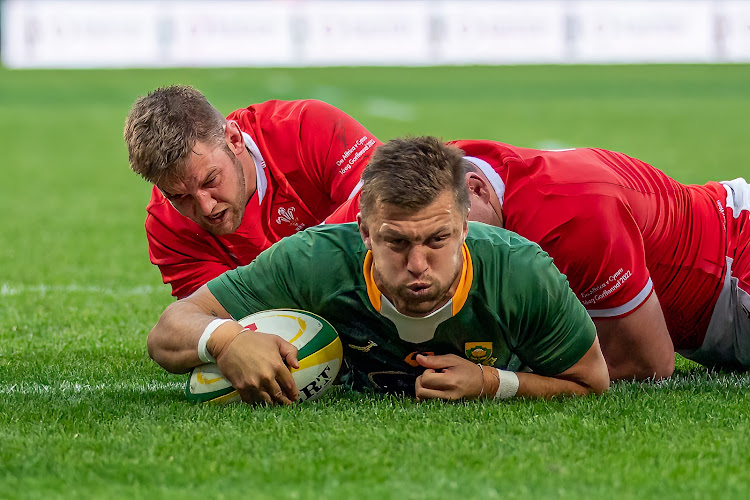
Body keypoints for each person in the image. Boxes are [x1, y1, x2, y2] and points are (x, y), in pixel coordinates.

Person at [147, 136, 610, 405]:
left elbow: (591, 382)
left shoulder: (521, 273)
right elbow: (170, 329)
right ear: (364, 233)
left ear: (465, 226)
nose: (417, 266)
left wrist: (492, 382)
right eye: (396, 241)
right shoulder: (315, 261)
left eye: (437, 240)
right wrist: (228, 340)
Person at [327, 139, 750, 380]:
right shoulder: (404, 200)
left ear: (476, 190)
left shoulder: (572, 213)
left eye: (448, 236)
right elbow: (288, 270)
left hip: (735, 266)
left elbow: (648, 364)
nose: (433, 257)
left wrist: (497, 379)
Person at [123, 85, 380, 299]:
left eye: (211, 180)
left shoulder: (306, 127)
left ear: (234, 139)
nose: (206, 207)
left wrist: (290, 261)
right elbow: (218, 312)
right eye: (180, 197)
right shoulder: (166, 225)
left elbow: (386, 199)